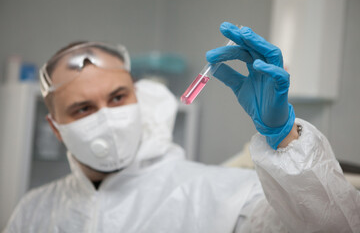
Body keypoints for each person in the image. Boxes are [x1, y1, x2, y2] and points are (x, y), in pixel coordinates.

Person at [3, 22, 360, 233]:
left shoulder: (222, 194)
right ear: (54, 126)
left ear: (137, 97)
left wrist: (284, 138)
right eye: (82, 108)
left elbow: (336, 225)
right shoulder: (34, 211)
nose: (106, 117)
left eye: (117, 98)